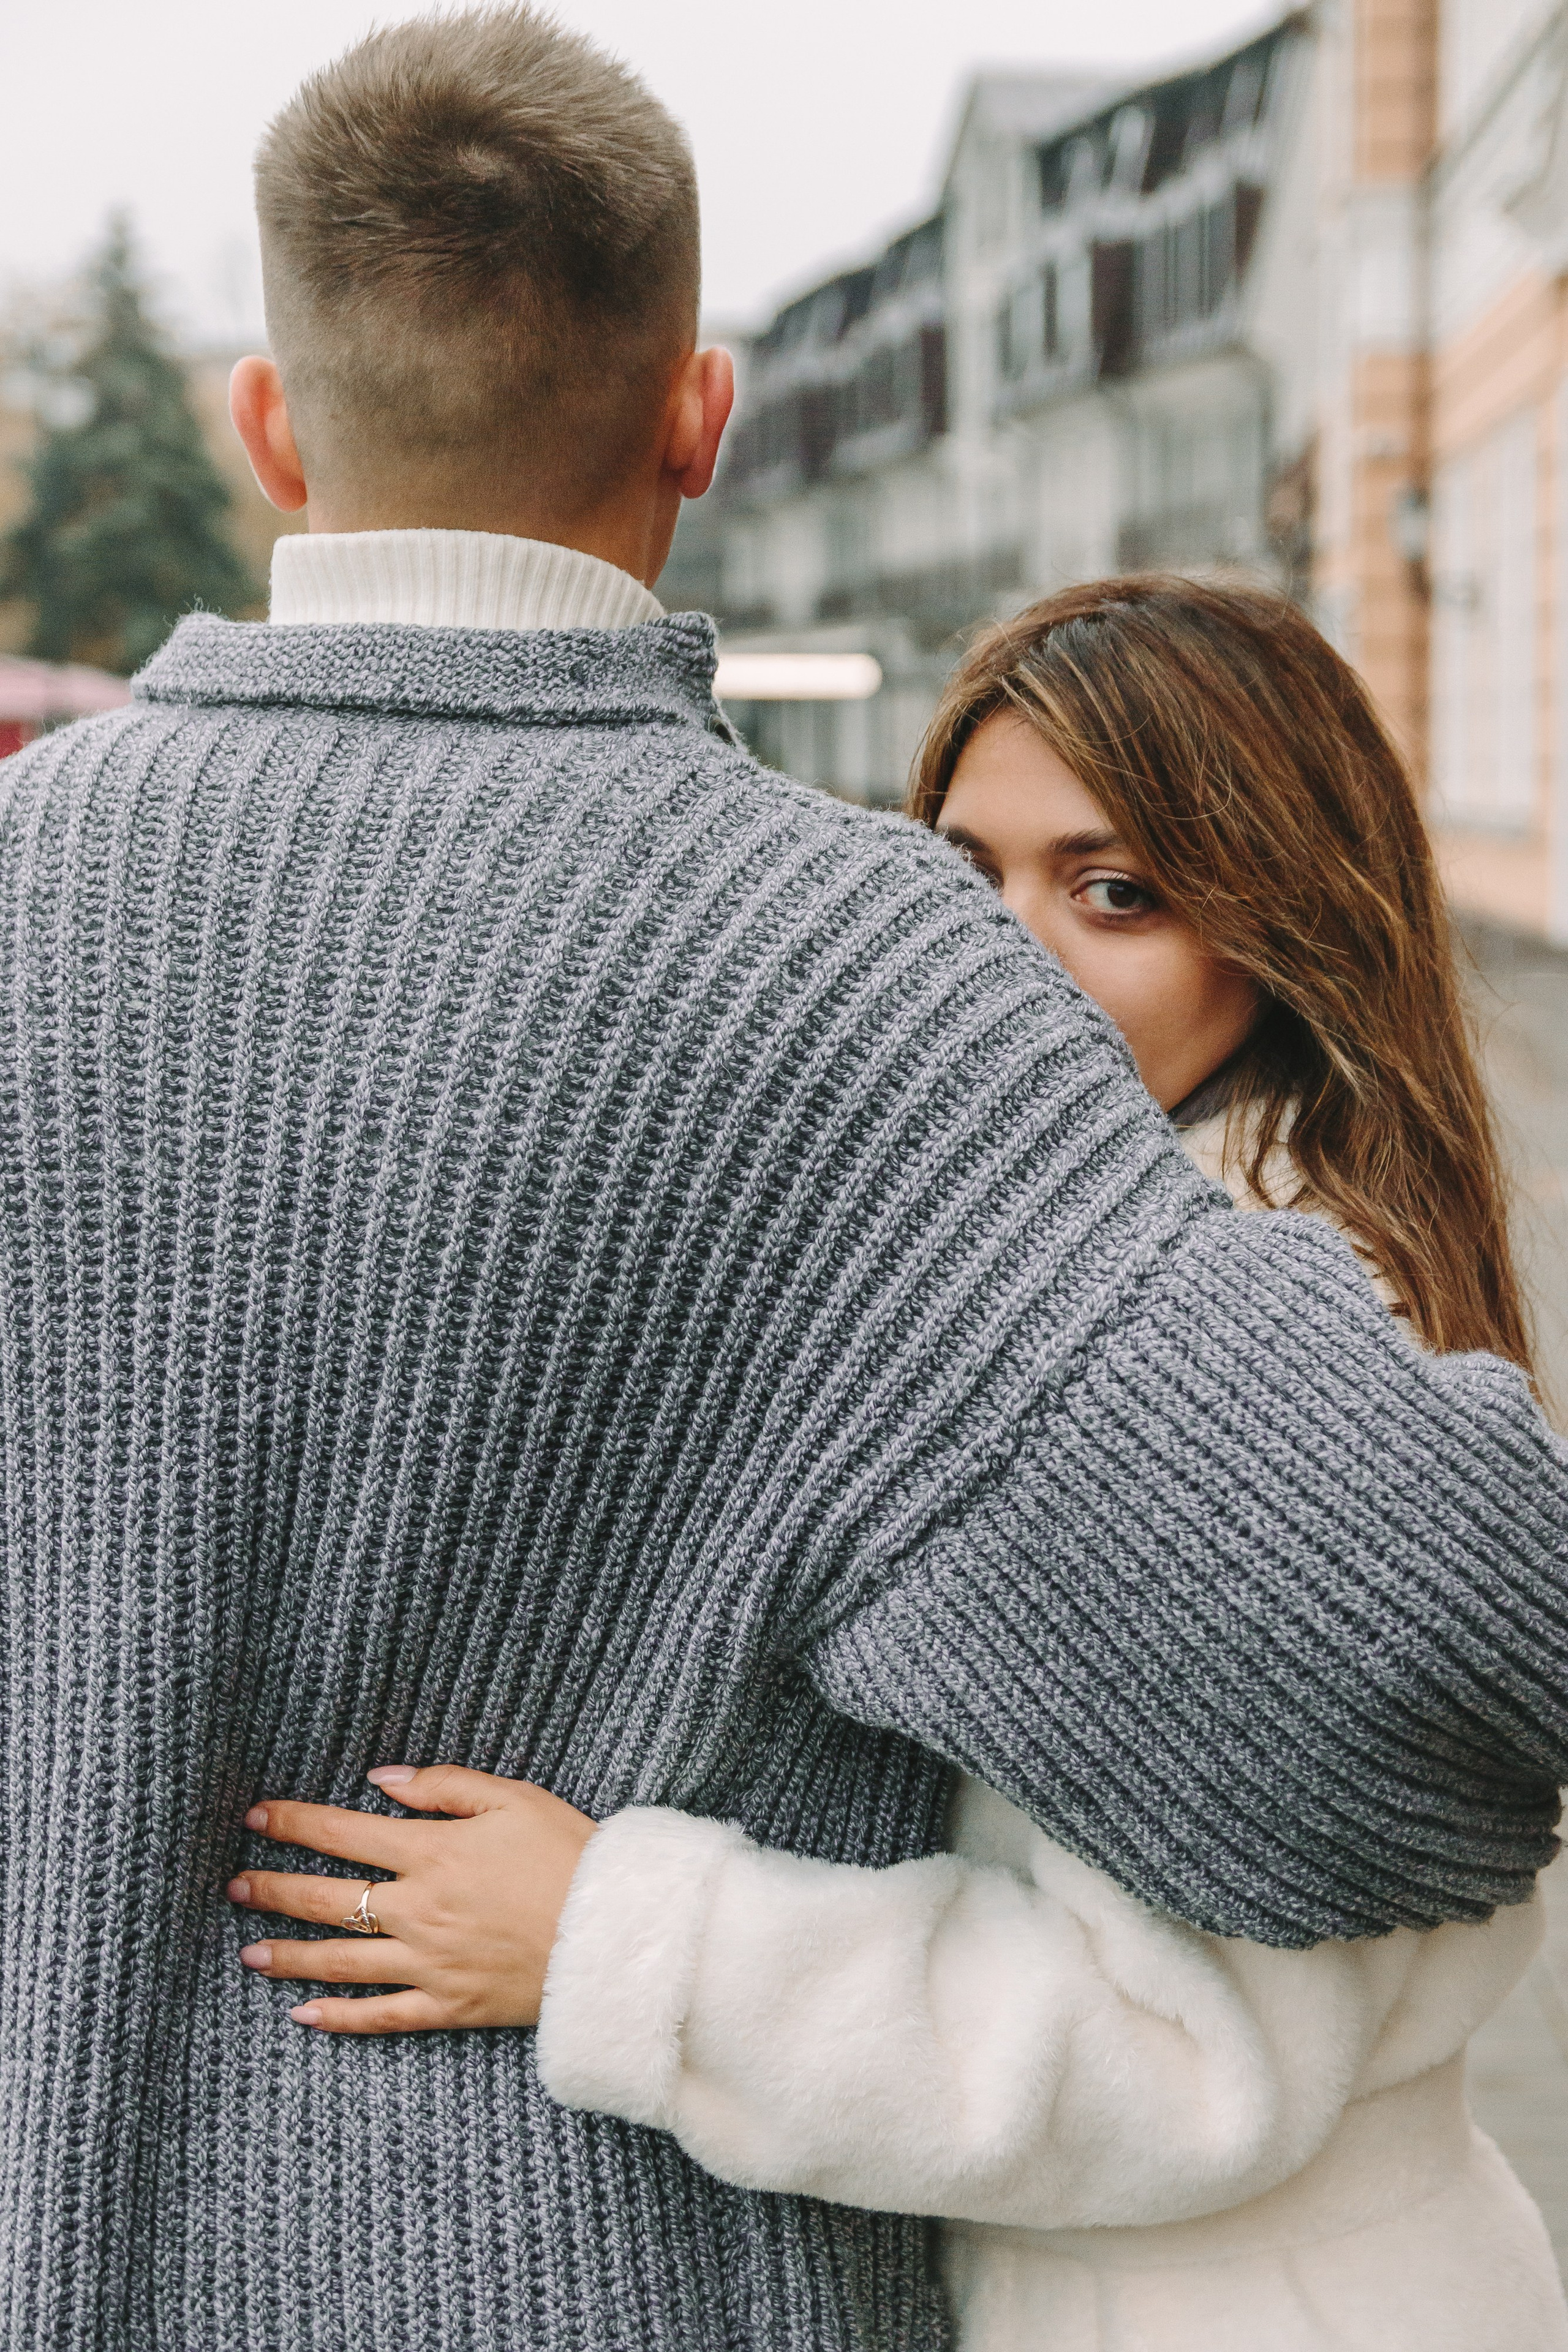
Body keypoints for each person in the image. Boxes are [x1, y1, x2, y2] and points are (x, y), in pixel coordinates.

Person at [1, 4, 1564, 2343]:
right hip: (621, 2281)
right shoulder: (866, 996)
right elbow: (1430, 1685)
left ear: (268, 423)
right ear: (700, 421)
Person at [235, 579, 1568, 2350]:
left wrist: (611, 1938)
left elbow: (1190, 2063)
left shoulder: (1287, 1363)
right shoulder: (1094, 1255)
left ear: (1287, 928)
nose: (1015, 957)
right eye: (963, 880)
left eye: (1115, 893)